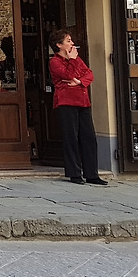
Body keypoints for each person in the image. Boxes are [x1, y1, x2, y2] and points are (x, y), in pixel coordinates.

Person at [48, 29, 107, 186]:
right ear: (59, 45)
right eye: (68, 41)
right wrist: (73, 61)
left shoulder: (77, 59)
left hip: (83, 102)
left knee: (89, 138)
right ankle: (74, 173)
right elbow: (68, 75)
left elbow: (89, 74)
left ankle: (91, 173)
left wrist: (80, 82)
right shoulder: (55, 62)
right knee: (71, 138)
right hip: (66, 103)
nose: (72, 43)